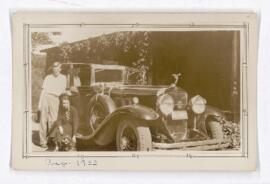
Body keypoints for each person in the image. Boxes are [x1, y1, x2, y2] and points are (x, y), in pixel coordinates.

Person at [38, 62, 68, 149]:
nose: (55, 69)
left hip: (56, 99)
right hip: (46, 97)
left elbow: (62, 91)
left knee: (54, 120)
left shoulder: (63, 78)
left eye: (57, 67)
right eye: (54, 67)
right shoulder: (48, 77)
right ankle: (43, 141)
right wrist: (39, 104)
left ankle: (52, 140)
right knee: (43, 120)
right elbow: (43, 91)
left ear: (60, 69)